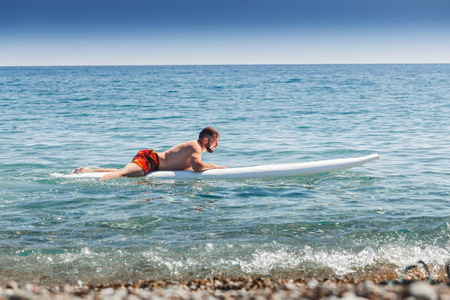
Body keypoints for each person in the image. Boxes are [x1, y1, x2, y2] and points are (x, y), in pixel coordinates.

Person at [73, 127, 227, 180]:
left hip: (154, 163)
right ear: (206, 140)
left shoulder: (196, 149)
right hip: (151, 160)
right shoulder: (196, 146)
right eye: (215, 141)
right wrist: (217, 167)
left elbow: (190, 166)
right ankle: (97, 184)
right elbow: (198, 167)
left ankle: (87, 171)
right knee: (124, 174)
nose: (217, 145)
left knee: (125, 171)